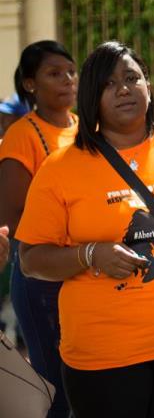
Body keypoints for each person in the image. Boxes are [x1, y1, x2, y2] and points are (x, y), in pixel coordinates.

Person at [16, 41, 154, 418]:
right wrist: (90, 254)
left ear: (148, 87)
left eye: (131, 78)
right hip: (103, 358)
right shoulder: (60, 169)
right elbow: (30, 259)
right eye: (109, 84)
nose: (123, 88)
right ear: (91, 96)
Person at [0, 40, 78, 418]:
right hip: (41, 277)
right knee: (55, 384)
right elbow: (12, 214)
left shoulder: (85, 128)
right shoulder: (22, 134)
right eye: (54, 73)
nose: (67, 80)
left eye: (70, 71)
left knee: (83, 381)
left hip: (83, 273)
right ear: (30, 84)